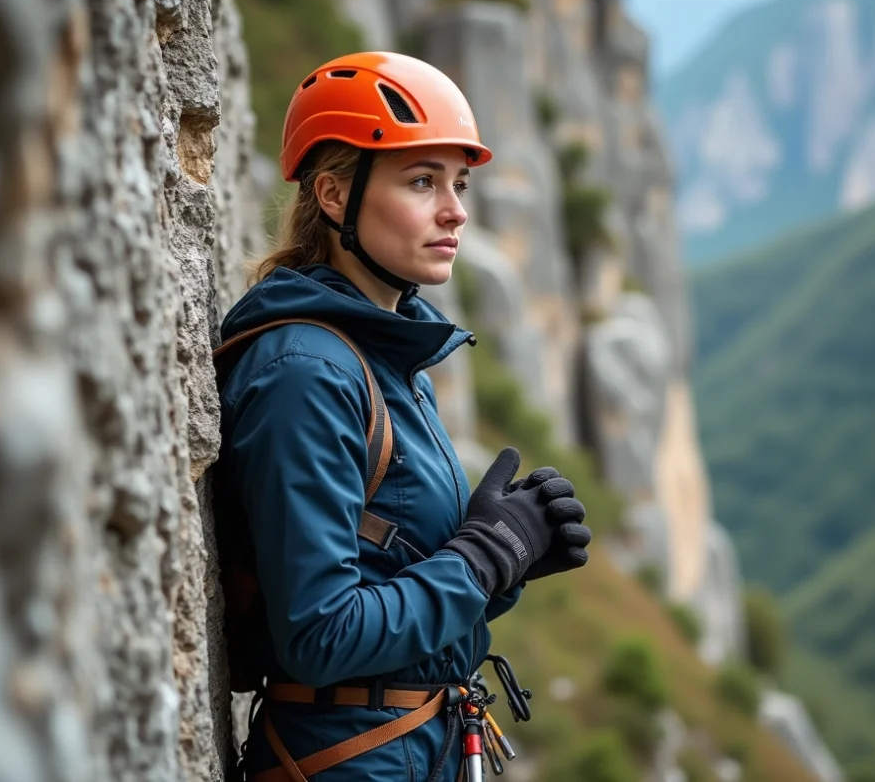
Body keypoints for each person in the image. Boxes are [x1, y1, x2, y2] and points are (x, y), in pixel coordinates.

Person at [209, 50, 592, 782]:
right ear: (333, 196)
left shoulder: (385, 361)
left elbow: (394, 584)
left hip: (406, 749)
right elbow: (321, 634)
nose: (456, 210)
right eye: (422, 181)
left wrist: (508, 560)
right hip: (355, 760)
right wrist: (481, 560)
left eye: (459, 183)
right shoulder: (306, 373)